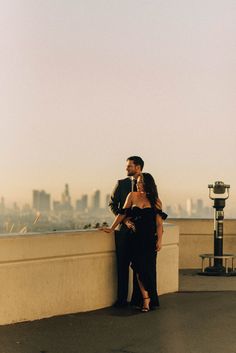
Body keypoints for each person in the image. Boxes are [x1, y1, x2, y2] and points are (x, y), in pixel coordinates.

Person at [103, 172, 167, 312]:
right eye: (137, 182)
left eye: (140, 182)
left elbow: (159, 224)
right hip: (135, 238)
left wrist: (160, 241)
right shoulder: (131, 196)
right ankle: (145, 300)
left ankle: (150, 298)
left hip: (150, 239)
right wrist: (112, 227)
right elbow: (122, 213)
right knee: (138, 268)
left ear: (148, 184)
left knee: (148, 270)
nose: (138, 184)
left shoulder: (156, 201)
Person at [108, 156, 145, 307]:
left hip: (140, 232)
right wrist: (123, 220)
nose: (126, 168)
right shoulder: (121, 184)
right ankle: (121, 300)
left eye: (129, 166)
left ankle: (137, 300)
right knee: (122, 266)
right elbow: (112, 204)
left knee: (139, 266)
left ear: (138, 167)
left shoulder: (146, 184)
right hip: (123, 231)